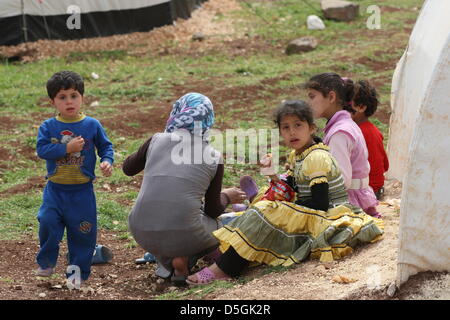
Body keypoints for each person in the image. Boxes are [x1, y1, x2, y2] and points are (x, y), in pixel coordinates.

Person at [186, 100, 384, 285]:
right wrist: (272, 175)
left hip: (329, 216)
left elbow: (321, 203)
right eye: (286, 127)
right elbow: (291, 189)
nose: (292, 132)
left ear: (312, 128)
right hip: (312, 212)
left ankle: (225, 268)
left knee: (266, 212)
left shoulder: (316, 157)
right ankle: (228, 255)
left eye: (298, 125)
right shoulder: (298, 154)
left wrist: (284, 209)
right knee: (264, 204)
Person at [123, 92, 246, 285]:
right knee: (228, 226)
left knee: (170, 229)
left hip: (139, 230)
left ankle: (170, 264)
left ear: (177, 113)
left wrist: (154, 147)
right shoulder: (212, 156)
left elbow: (128, 168)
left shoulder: (156, 140)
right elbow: (212, 210)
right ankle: (188, 258)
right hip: (187, 231)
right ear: (208, 120)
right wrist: (227, 196)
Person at [35, 71, 114, 282]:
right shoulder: (48, 127)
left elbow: (106, 147)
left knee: (83, 233)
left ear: (82, 98)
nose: (69, 101)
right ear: (53, 101)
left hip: (82, 192)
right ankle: (47, 262)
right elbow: (42, 150)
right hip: (55, 190)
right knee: (47, 221)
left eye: (74, 95)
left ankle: (77, 274)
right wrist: (66, 148)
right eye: (62, 97)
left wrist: (107, 161)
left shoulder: (91, 125)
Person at [305, 73, 381, 218]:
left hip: (348, 205)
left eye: (312, 96)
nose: (309, 103)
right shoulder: (345, 125)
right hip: (356, 198)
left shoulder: (339, 133)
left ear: (331, 97)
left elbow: (341, 180)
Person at [350, 80, 389, 200]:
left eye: (346, 104)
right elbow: (385, 165)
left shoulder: (356, 133)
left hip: (366, 192)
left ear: (361, 107)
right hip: (376, 189)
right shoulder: (373, 130)